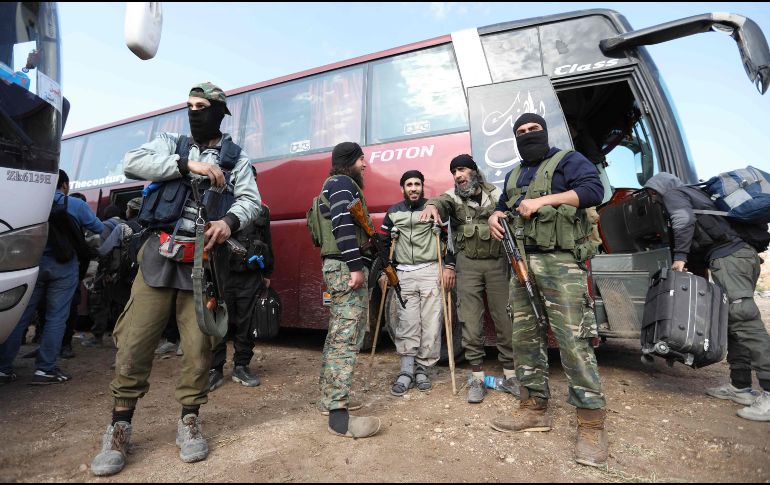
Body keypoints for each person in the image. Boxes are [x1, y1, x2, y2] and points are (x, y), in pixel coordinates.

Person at [89, 82, 261, 476]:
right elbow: (132, 162)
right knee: (134, 342)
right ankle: (119, 426)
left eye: (202, 106)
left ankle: (189, 420)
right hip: (158, 258)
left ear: (219, 111)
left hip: (203, 265)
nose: (194, 112)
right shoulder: (172, 144)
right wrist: (187, 166)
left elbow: (251, 201)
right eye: (190, 106)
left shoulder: (236, 158)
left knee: (200, 349)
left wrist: (229, 221)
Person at [486, 113, 608, 468]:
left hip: (561, 264)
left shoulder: (568, 160)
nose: (527, 135)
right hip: (522, 264)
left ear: (544, 132)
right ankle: (533, 407)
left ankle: (591, 424)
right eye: (521, 132)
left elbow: (594, 191)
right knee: (524, 338)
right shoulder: (513, 174)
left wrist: (543, 201)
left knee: (573, 340)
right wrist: (494, 216)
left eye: (533, 130)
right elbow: (503, 207)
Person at [644, 172, 770, 422]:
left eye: (652, 193)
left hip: (731, 259)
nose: (653, 199)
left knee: (744, 320)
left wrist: (680, 257)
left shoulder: (674, 194)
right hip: (736, 257)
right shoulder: (698, 196)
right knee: (733, 321)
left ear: (660, 188)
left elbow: (683, 219)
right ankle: (740, 387)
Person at [419, 154, 517, 404]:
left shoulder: (496, 194)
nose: (458, 175)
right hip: (467, 266)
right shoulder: (453, 197)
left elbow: (511, 214)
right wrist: (431, 206)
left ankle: (511, 375)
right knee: (470, 322)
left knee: (505, 319)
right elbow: (440, 202)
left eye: (462, 169)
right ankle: (476, 378)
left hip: (497, 264)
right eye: (454, 172)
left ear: (474, 171)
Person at [0, 170, 104, 385]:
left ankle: (3, 368)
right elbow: (99, 228)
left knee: (20, 316)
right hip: (64, 266)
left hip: (31, 264)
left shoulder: (29, 202)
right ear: (64, 185)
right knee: (56, 317)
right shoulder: (75, 204)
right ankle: (45, 369)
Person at [314, 141, 381, 439]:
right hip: (344, 267)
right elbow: (342, 222)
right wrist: (355, 265)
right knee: (347, 337)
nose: (365, 165)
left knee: (337, 334)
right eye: (361, 159)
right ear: (350, 160)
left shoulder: (332, 184)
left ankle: (329, 399)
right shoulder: (343, 183)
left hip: (337, 266)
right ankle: (338, 416)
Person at [380, 170, 449, 395]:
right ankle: (406, 370)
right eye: (409, 184)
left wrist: (449, 266)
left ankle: (422, 370)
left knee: (431, 323)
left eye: (417, 184)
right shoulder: (393, 212)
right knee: (407, 321)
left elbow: (449, 239)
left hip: (430, 270)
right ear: (402, 188)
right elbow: (382, 243)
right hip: (404, 274)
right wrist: (384, 271)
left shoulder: (433, 208)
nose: (413, 188)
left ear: (422, 186)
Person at [209, 167, 274, 391]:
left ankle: (241, 366)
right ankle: (215, 369)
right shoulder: (218, 206)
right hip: (222, 275)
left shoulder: (262, 210)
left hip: (251, 275)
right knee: (219, 322)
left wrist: (268, 274)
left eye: (252, 179)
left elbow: (268, 242)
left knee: (247, 324)